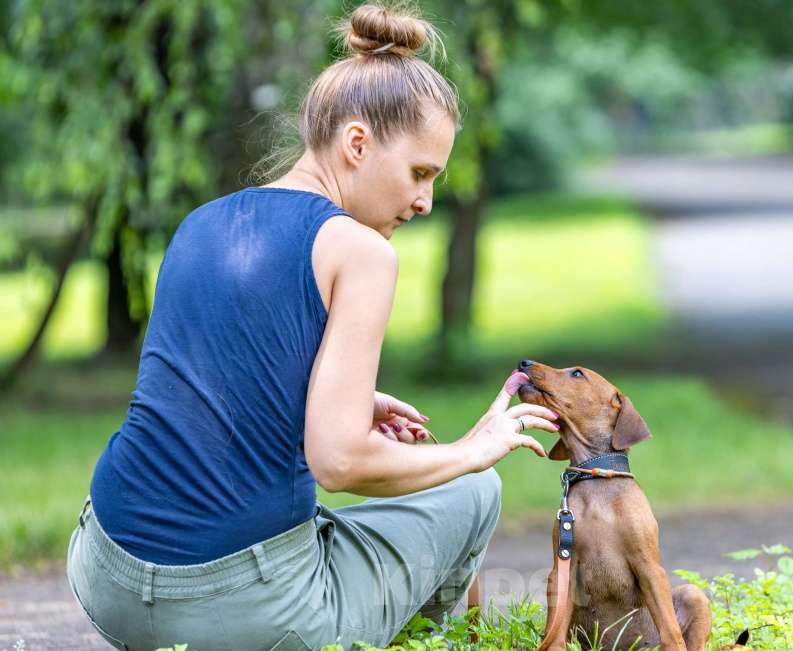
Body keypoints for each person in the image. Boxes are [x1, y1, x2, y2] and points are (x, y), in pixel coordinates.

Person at [65, 3, 559, 650]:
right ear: (357, 144)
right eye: (420, 173)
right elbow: (340, 459)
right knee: (475, 489)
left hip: (107, 573)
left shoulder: (201, 225)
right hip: (242, 611)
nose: (424, 201)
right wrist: (475, 447)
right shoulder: (360, 251)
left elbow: (199, 394)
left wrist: (338, 396)